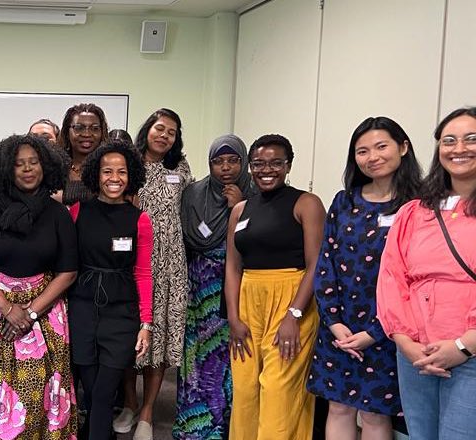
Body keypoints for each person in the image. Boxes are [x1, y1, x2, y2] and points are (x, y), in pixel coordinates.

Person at [306, 117, 421, 439]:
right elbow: (325, 262)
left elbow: (417, 277)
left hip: (389, 328)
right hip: (339, 326)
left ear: (403, 147)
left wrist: (376, 331)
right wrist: (333, 322)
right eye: (362, 151)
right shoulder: (344, 202)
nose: (373, 157)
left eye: (381, 146)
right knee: (338, 407)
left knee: (373, 414)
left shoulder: (418, 206)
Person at [0, 134, 79, 440]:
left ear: (45, 165)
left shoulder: (58, 214)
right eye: (19, 164)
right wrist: (7, 308)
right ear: (6, 169)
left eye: (34, 162)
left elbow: (67, 272)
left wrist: (30, 312)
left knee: (42, 392)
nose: (28, 169)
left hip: (45, 308)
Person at [377, 107, 476, 439]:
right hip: (415, 354)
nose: (459, 148)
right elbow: (392, 278)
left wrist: (462, 346)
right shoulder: (414, 212)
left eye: (471, 139)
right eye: (449, 140)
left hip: (470, 353)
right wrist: (405, 342)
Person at [225, 134, 325, 440]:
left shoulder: (306, 203)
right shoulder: (240, 210)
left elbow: (316, 264)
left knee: (278, 390)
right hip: (247, 301)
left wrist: (293, 315)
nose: (266, 170)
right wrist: (233, 317)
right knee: (244, 390)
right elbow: (232, 266)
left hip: (292, 300)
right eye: (259, 164)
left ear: (288, 165)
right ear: (250, 167)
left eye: (275, 163)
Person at [68, 141, 153, 439]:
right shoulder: (78, 212)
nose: (114, 178)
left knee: (104, 391)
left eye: (121, 172)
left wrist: (146, 323)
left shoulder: (139, 219)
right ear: (96, 174)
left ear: (131, 176)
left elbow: (143, 273)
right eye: (107, 171)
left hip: (122, 312)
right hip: (81, 308)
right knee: (92, 392)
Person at [173, 134, 256, 439]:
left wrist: (241, 208)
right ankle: (194, 425)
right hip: (199, 284)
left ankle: (229, 425)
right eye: (217, 161)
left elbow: (260, 240)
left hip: (238, 282)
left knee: (231, 353)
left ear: (243, 162)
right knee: (196, 353)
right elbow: (186, 235)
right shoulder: (194, 193)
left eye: (232, 160)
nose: (225, 168)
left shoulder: (256, 192)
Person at [116, 108, 192, 439]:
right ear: (147, 129)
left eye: (171, 132)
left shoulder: (181, 169)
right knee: (128, 335)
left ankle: (148, 411)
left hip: (171, 263)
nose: (164, 135)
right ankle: (129, 404)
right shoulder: (129, 165)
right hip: (133, 258)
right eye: (159, 128)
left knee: (160, 337)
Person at [57, 103, 108, 206]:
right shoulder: (56, 167)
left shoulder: (109, 168)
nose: (86, 134)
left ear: (102, 132)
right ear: (67, 132)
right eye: (79, 128)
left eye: (94, 128)